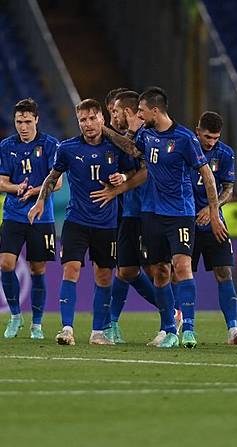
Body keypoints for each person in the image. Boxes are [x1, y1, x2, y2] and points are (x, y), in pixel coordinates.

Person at [101, 87, 227, 348]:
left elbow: (207, 174)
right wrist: (104, 130)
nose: (139, 115)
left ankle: (189, 329)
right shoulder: (146, 135)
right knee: (159, 271)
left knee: (181, 266)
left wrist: (214, 212)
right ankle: (170, 329)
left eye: (142, 111)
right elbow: (132, 149)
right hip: (151, 214)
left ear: (155, 111)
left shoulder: (184, 138)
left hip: (180, 213)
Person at [28, 99, 132, 346]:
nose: (88, 124)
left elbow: (135, 168)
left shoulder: (116, 147)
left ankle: (98, 332)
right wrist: (40, 201)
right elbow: (52, 176)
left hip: (106, 223)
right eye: (82, 120)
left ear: (102, 119)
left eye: (92, 118)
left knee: (104, 276)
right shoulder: (67, 148)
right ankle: (67, 329)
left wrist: (123, 177)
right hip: (77, 220)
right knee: (71, 269)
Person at [0, 98, 61, 340]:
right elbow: (2, 183)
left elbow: (58, 182)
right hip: (13, 215)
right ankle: (15, 315)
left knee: (37, 268)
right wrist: (18, 188)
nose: (22, 127)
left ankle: (37, 324)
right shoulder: (7, 145)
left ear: (36, 120)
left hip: (41, 217)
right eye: (18, 122)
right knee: (6, 264)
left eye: (27, 122)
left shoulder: (50, 145)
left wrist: (34, 191)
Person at [102, 90, 161, 343]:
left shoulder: (147, 133)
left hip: (151, 209)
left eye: (114, 112)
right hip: (128, 210)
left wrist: (120, 187)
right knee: (126, 269)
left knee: (158, 268)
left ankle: (172, 321)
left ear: (127, 111)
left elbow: (143, 167)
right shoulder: (122, 137)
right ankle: (112, 324)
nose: (112, 117)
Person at [191, 111, 237, 345]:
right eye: (207, 137)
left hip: (214, 222)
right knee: (180, 274)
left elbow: (229, 189)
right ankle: (180, 327)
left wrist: (212, 209)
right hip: (186, 221)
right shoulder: (186, 149)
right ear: (198, 131)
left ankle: (233, 331)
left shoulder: (225, 153)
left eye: (216, 138)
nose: (211, 142)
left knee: (224, 272)